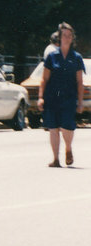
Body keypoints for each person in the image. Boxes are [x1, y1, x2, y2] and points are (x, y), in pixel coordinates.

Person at [38, 22, 84, 167]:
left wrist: (80, 102)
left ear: (72, 38)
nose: (67, 38)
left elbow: (79, 82)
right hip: (52, 97)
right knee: (53, 128)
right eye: (64, 35)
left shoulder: (76, 58)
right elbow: (44, 79)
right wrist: (40, 97)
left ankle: (68, 149)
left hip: (69, 97)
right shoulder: (52, 57)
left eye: (69, 36)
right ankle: (56, 159)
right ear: (59, 37)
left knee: (67, 127)